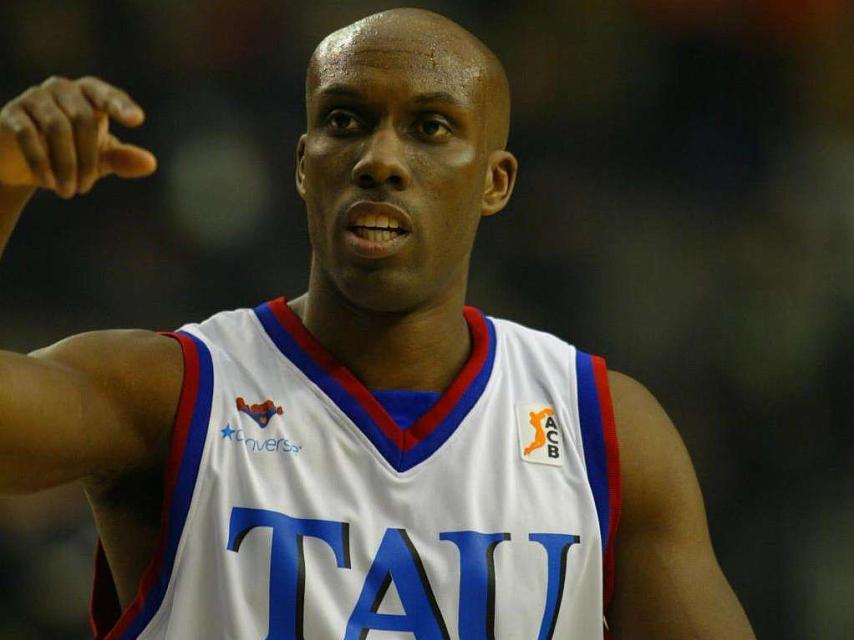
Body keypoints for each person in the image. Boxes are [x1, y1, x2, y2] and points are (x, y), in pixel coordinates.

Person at [0, 7, 756, 639]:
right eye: (345, 120)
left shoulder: (604, 431)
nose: (379, 159)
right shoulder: (172, 392)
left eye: (430, 128)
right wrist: (3, 175)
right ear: (304, 164)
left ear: (495, 181)